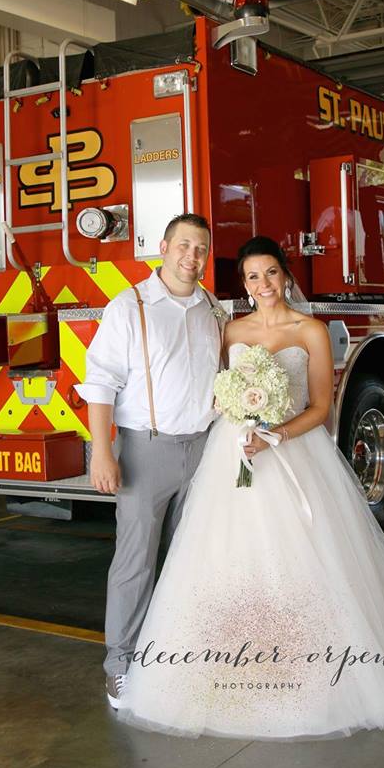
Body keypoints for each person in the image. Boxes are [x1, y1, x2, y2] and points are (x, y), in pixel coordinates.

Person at [112, 234, 384, 741]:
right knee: (226, 557)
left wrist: (276, 436)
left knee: (304, 558)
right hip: (233, 456)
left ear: (285, 274)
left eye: (270, 272)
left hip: (290, 451)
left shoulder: (311, 330)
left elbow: (322, 409)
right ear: (244, 285)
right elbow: (215, 389)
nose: (263, 284)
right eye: (252, 276)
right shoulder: (229, 330)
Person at [75, 213, 222, 709]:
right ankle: (120, 664)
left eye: (200, 248)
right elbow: (100, 383)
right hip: (146, 449)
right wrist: (102, 450)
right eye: (184, 245)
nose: (192, 257)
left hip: (204, 449)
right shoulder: (129, 306)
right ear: (163, 247)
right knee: (135, 563)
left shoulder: (212, 310)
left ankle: (181, 656)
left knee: (193, 558)